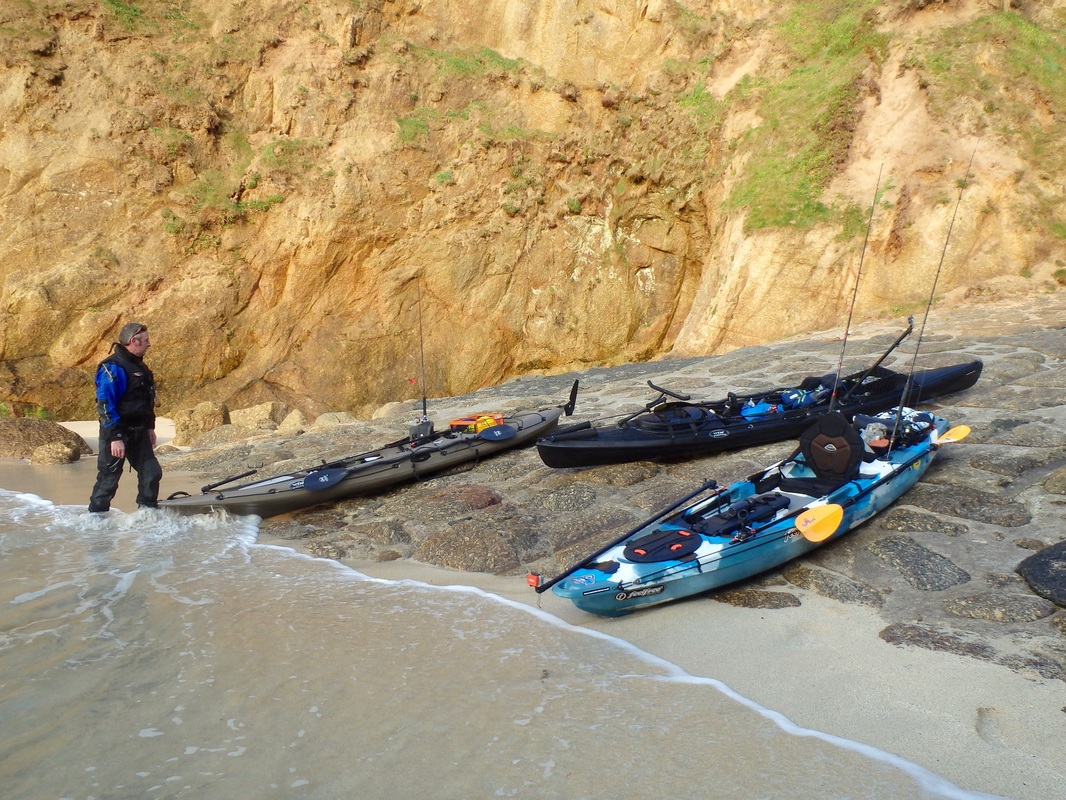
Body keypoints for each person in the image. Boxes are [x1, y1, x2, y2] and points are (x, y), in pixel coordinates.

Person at [88, 322, 163, 512]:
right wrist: (116, 437)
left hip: (139, 432)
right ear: (133, 341)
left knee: (152, 473)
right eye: (146, 340)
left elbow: (147, 399)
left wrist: (149, 427)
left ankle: (147, 514)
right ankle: (96, 519)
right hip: (117, 434)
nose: (149, 344)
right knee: (108, 479)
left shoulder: (141, 366)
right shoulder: (112, 367)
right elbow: (106, 406)